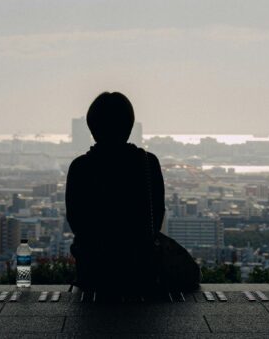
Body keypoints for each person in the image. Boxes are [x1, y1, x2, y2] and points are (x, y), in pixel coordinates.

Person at [66, 92, 198, 292]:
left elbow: (77, 223)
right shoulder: (147, 164)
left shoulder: (80, 168)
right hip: (141, 270)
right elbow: (156, 218)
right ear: (129, 126)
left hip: (94, 271)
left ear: (92, 127)